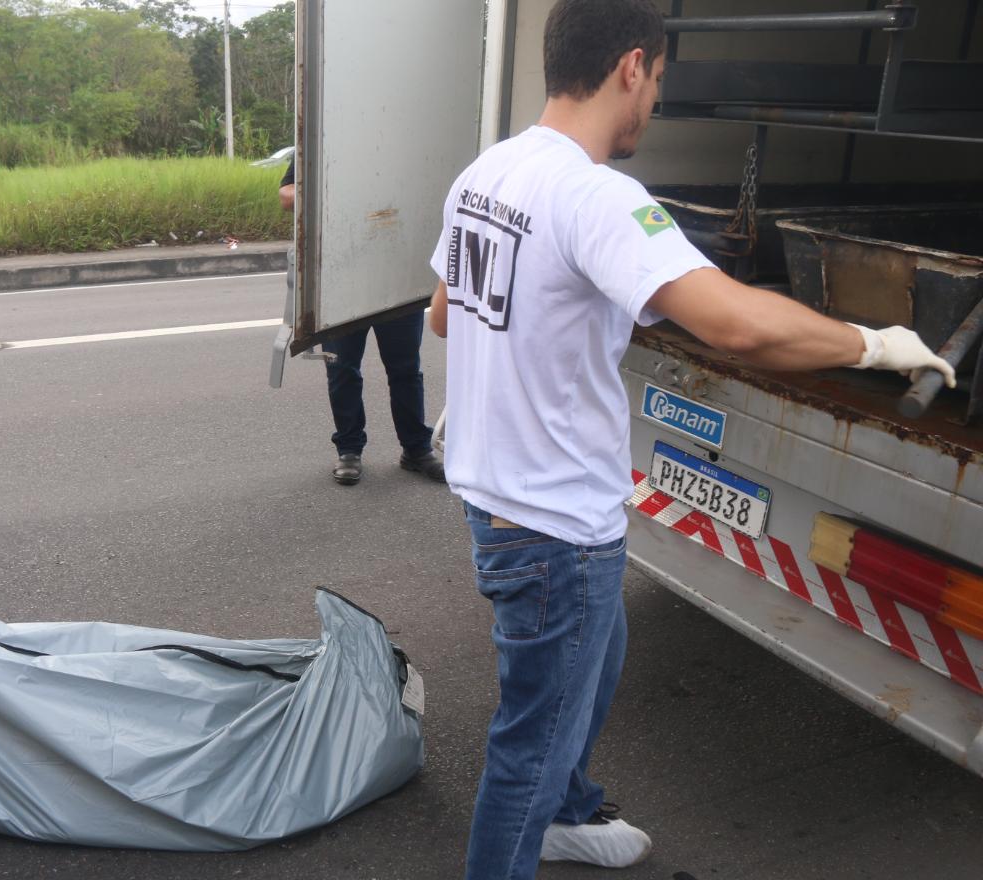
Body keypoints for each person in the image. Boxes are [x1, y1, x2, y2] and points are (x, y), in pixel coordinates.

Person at [428, 1, 955, 876]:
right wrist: (873, 344)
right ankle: (533, 828)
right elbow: (738, 326)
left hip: (509, 504)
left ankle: (564, 813)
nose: (656, 104)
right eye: (661, 82)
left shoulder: (488, 172)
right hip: (553, 528)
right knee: (529, 745)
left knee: (593, 670)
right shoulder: (595, 195)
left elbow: (450, 315)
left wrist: (564, 312)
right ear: (632, 67)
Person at [280, 157, 445, 485]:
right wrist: (339, 194)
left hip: (397, 280)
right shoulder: (325, 138)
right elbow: (286, 195)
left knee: (405, 370)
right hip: (342, 280)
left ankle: (416, 449)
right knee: (342, 369)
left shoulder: (406, 144)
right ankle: (349, 450)